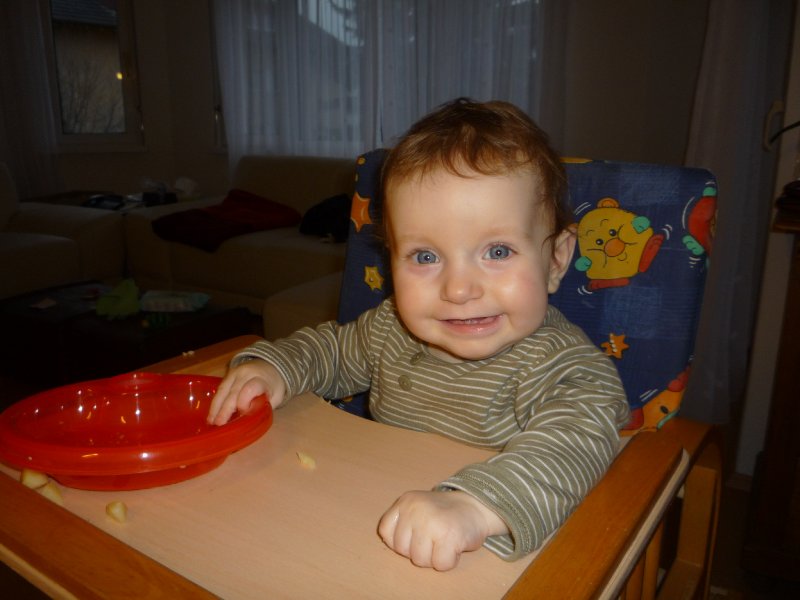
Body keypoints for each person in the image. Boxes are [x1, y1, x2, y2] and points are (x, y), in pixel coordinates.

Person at [208, 98, 629, 571]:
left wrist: (475, 508)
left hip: (487, 558)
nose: (459, 289)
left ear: (556, 259)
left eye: (497, 251)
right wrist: (275, 369)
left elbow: (575, 445)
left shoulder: (568, 370)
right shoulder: (391, 330)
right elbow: (331, 350)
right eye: (425, 257)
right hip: (363, 524)